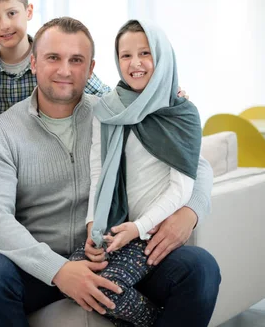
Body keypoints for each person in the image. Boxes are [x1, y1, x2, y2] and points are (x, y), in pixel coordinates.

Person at [0, 17, 220, 327]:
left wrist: (190, 213)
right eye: (53, 58)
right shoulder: (1, 132)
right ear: (33, 62)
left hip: (115, 254)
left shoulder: (116, 114)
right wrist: (59, 270)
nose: (64, 70)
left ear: (91, 69)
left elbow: (197, 165)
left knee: (199, 266)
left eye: (76, 60)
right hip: (38, 265)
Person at [69, 20, 203, 327]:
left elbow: (182, 188)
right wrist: (94, 224)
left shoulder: (182, 112)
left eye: (145, 53)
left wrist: (139, 227)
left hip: (151, 231)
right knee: (73, 280)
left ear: (162, 57)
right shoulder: (109, 108)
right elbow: (98, 171)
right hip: (115, 227)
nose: (135, 63)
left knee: (106, 291)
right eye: (125, 55)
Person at [0, 0, 111, 119]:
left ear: (28, 12)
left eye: (12, 13)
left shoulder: (54, 57)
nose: (5, 25)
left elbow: (105, 98)